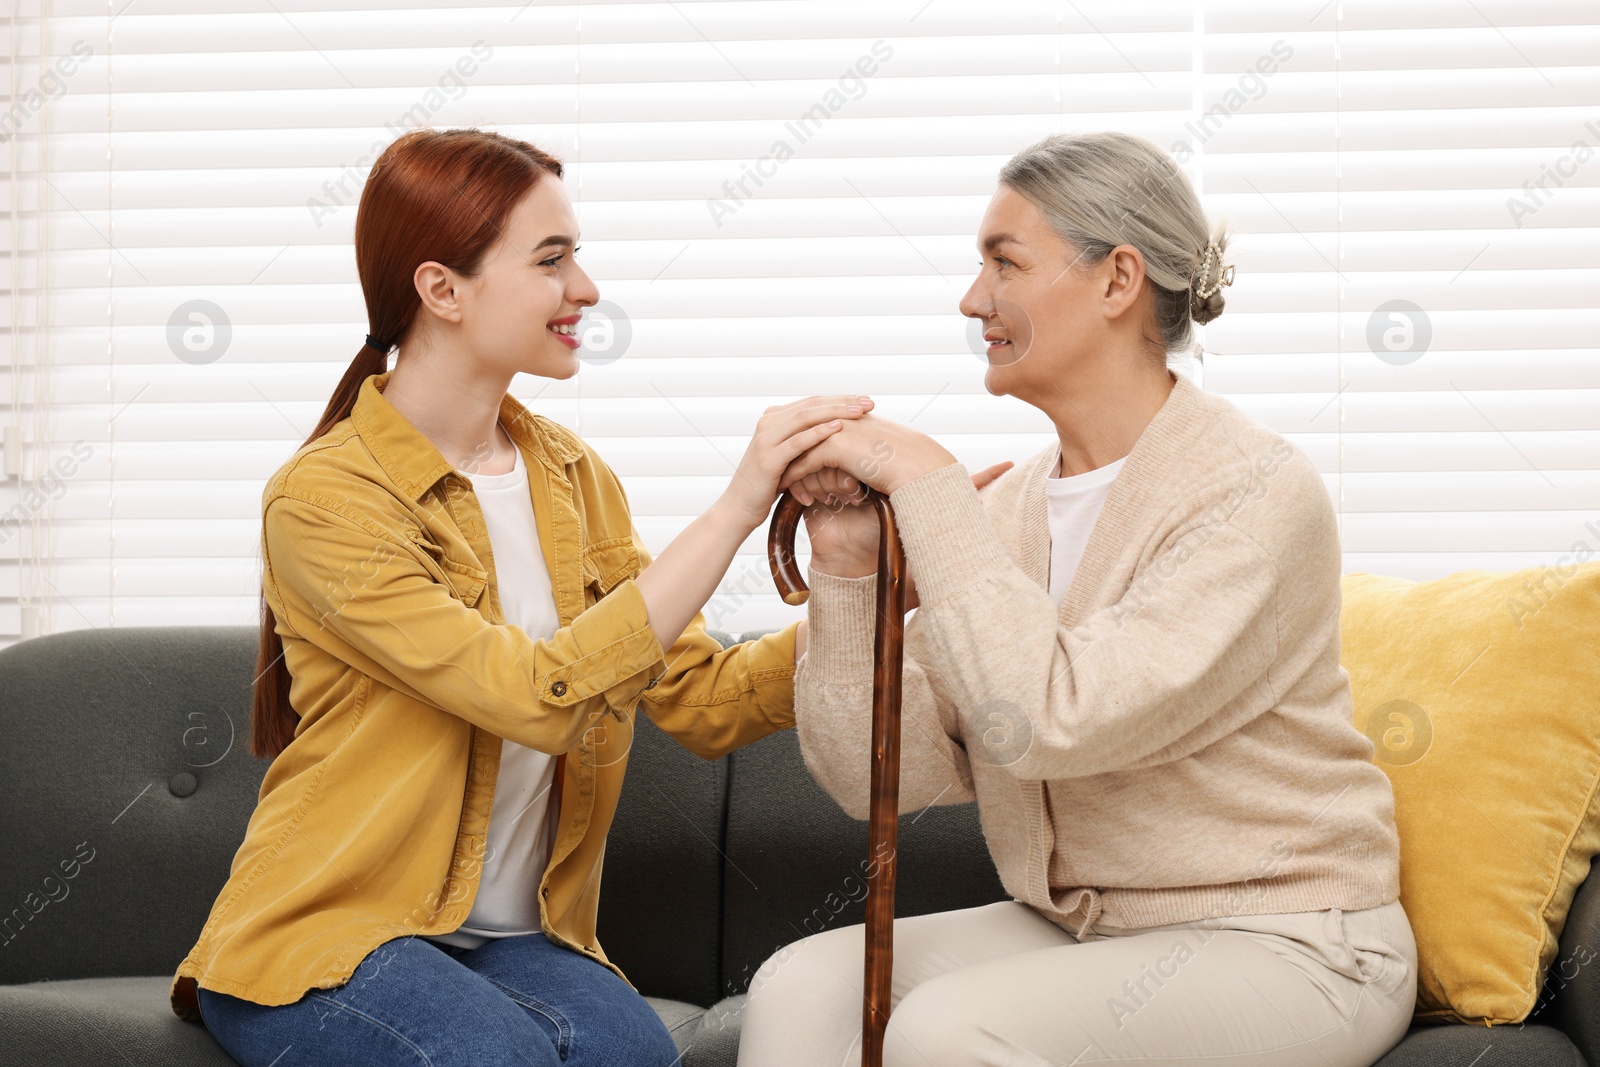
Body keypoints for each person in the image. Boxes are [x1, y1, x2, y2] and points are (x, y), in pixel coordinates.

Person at [166, 127, 887, 1067]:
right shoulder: (324, 500)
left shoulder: (572, 477)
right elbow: (531, 695)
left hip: (519, 941)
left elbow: (703, 700)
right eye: (552, 260)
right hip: (328, 936)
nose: (584, 289)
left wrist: (862, 583)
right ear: (442, 289)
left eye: (576, 257)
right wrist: (740, 505)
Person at [743, 130, 1418, 1066]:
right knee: (801, 988)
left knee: (950, 1030)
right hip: (1083, 927)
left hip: (1289, 937)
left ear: (1117, 279)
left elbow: (1055, 716)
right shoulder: (1009, 507)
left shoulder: (1254, 491)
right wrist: (851, 566)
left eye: (1003, 261)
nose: (973, 298)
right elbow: (879, 780)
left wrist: (928, 485)